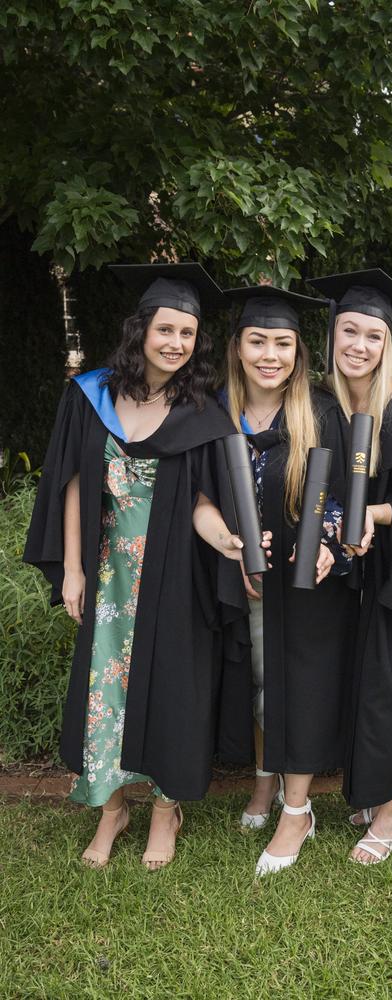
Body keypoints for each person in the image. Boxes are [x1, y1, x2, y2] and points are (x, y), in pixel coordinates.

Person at [24, 263, 244, 870]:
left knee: (175, 686)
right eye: (165, 329)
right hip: (108, 568)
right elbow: (73, 485)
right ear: (141, 329)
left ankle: (166, 810)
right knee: (106, 687)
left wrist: (226, 539)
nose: (176, 343)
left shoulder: (203, 410)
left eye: (188, 333)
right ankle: (112, 806)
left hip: (174, 572)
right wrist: (72, 569)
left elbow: (203, 501)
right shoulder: (90, 395)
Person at [192, 285, 357, 877]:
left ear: (298, 351)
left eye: (282, 343)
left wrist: (328, 544)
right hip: (245, 568)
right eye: (258, 340)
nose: (270, 354)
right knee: (260, 679)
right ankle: (265, 779)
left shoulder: (320, 410)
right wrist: (231, 545)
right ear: (238, 347)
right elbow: (199, 500)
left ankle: (297, 807)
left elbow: (340, 495)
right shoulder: (211, 413)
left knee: (301, 683)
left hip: (306, 576)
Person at [307, 268, 392, 865]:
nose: (358, 346)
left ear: (388, 344)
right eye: (348, 332)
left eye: (372, 336)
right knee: (354, 685)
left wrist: (377, 516)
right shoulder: (320, 402)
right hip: (342, 572)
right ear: (332, 336)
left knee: (387, 690)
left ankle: (390, 809)